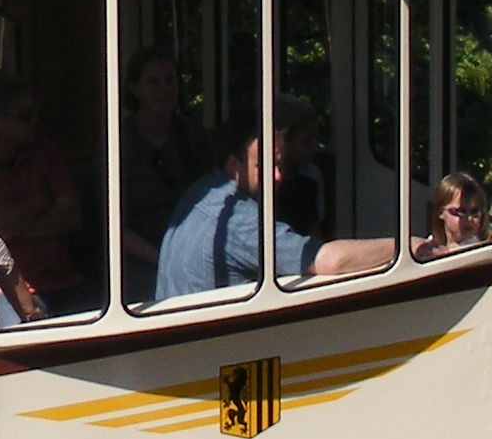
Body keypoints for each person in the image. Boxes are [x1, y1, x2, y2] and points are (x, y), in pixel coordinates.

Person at [154, 102, 395, 300]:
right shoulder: (239, 222)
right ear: (233, 165)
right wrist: (407, 248)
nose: (278, 176)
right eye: (265, 166)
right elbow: (329, 261)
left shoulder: (200, 192)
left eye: (280, 164)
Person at [0, 72, 93, 315]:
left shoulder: (46, 152)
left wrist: (6, 228)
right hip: (2, 290)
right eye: (25, 116)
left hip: (66, 283)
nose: (36, 122)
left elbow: (72, 216)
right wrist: (41, 202)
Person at [116, 47, 207, 299]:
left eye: (169, 81)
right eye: (152, 82)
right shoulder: (116, 143)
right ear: (134, 88)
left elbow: (214, 202)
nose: (163, 90)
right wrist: (166, 262)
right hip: (139, 260)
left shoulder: (192, 135)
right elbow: (115, 229)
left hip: (195, 252)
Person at [412, 171, 492, 261]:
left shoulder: (478, 251)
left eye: (475, 212)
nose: (469, 218)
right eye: (460, 211)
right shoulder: (432, 244)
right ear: (441, 212)